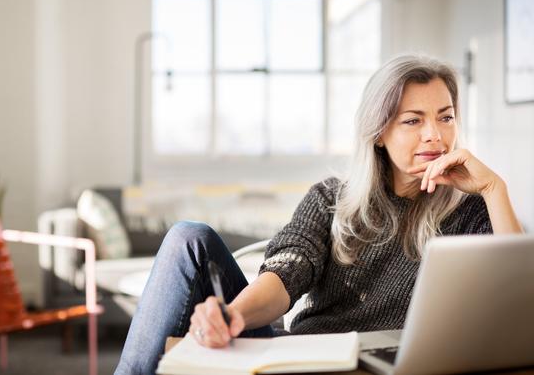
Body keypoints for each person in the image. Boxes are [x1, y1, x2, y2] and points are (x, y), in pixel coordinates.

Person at [114, 55, 523, 375]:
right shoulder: (331, 198)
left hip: (396, 364)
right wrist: (233, 315)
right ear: (379, 132)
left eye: (445, 117)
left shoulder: (471, 210)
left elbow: (519, 301)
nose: (434, 135)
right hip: (309, 357)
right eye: (413, 120)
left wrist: (493, 188)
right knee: (189, 237)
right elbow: (285, 275)